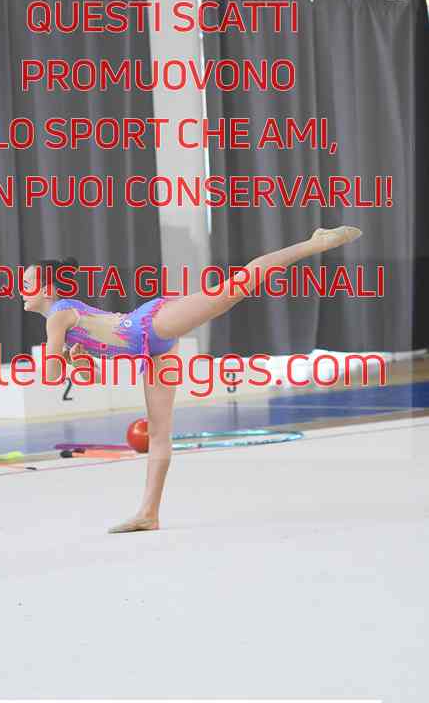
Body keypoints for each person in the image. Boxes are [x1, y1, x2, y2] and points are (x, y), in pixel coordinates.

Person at [22, 225, 361, 533]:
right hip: (152, 351)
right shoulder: (65, 320)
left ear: (48, 289)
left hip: (151, 325)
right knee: (159, 433)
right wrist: (77, 361)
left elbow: (51, 375)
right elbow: (93, 374)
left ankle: (314, 243)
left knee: (233, 288)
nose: (21, 290)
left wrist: (64, 359)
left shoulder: (58, 317)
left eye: (27, 284)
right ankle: (148, 514)